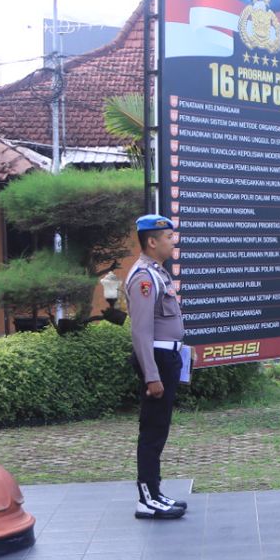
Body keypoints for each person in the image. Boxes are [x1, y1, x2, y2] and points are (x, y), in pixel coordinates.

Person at [125, 215, 188, 520]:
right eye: (167, 237)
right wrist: (152, 375)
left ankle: (155, 492)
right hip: (157, 361)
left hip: (168, 358)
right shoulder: (144, 279)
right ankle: (146, 498)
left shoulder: (157, 273)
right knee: (152, 431)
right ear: (152, 241)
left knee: (159, 429)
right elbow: (141, 331)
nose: (171, 242)